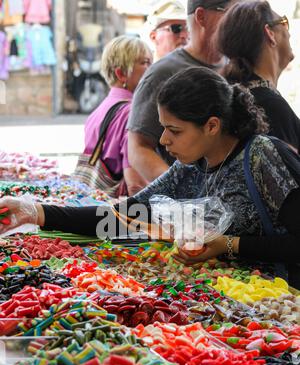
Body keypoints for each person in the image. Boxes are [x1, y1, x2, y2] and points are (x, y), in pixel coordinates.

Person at [2, 67, 300, 288]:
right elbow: (124, 217)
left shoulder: (263, 156)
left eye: (175, 130)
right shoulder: (191, 166)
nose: (163, 140)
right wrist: (36, 212)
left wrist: (231, 245)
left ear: (211, 125)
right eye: (163, 127)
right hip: (232, 298)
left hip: (283, 305)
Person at [127, 0, 239, 182]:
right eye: (232, 12)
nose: (238, 19)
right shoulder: (162, 72)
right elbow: (138, 147)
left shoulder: (236, 68)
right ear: (201, 16)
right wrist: (181, 191)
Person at [217, 0, 300, 154]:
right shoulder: (268, 105)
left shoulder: (236, 95)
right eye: (284, 22)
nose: (289, 32)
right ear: (270, 33)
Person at [82, 35, 152, 196]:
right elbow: (136, 185)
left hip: (95, 204)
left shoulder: (100, 109)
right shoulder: (131, 113)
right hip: (119, 212)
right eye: (145, 63)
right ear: (121, 74)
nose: (151, 69)